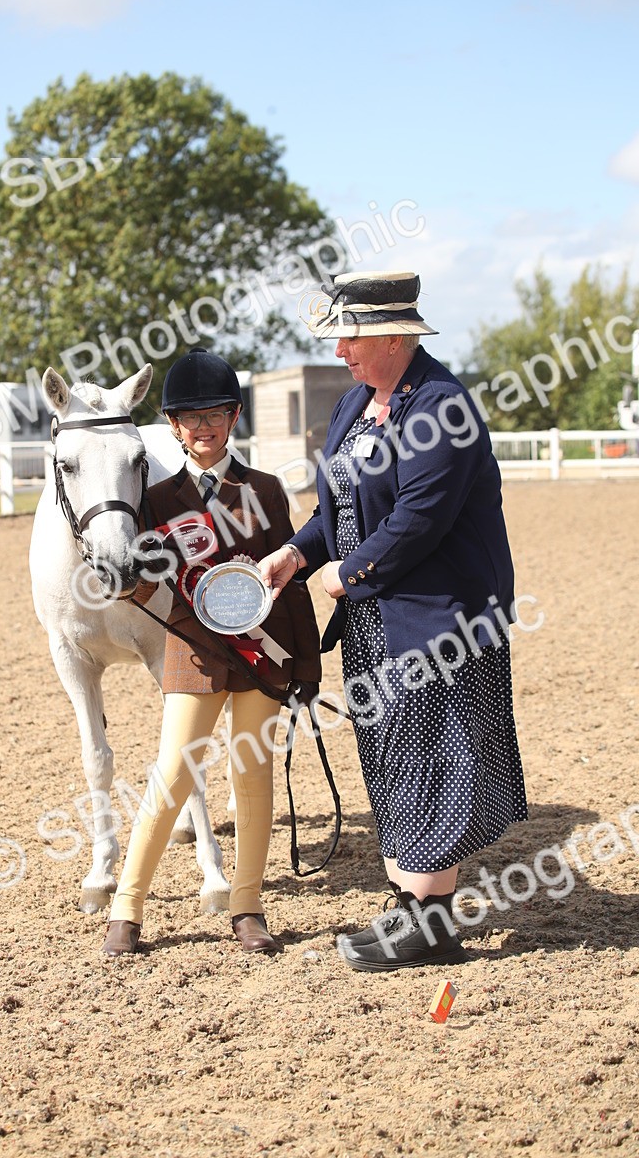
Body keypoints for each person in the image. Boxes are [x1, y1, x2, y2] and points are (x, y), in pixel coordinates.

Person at [258, 271, 528, 972]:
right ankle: (411, 904)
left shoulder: (443, 406)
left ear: (391, 336)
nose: (340, 348)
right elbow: (337, 507)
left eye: (349, 335)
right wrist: (295, 552)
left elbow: (417, 522)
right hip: (377, 619)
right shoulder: (355, 403)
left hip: (440, 620)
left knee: (431, 754)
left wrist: (344, 575)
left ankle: (432, 925)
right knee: (391, 754)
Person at [103, 346, 321, 957]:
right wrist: (127, 574)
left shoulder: (268, 492)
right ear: (173, 427)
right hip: (194, 653)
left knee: (253, 780)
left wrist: (306, 663)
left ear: (234, 418)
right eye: (189, 417)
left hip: (263, 655)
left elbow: (292, 583)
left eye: (214, 415)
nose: (202, 427)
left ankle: (247, 905)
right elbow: (145, 585)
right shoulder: (157, 501)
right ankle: (128, 907)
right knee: (173, 774)